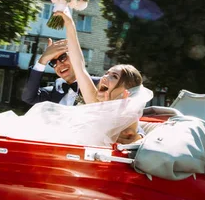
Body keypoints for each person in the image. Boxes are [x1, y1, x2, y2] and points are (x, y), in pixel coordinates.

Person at [54, 11, 145, 144]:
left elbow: (128, 136)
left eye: (114, 76)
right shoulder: (96, 104)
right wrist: (69, 24)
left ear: (127, 91)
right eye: (107, 73)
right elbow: (79, 66)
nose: (104, 77)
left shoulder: (129, 116)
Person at [21, 38, 99, 106]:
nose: (59, 65)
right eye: (53, 62)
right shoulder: (55, 91)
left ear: (75, 57)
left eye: (63, 57)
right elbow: (28, 97)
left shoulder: (99, 84)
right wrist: (42, 60)